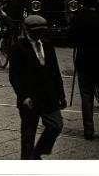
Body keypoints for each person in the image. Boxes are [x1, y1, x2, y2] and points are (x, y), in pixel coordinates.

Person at [9, 15, 66, 160]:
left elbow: (55, 71)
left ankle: (39, 151)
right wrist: (23, 96)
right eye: (36, 31)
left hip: (49, 96)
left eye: (41, 31)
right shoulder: (18, 48)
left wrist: (61, 95)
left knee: (56, 126)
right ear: (27, 30)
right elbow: (14, 76)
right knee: (28, 135)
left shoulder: (47, 45)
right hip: (30, 99)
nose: (39, 34)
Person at [70, 0, 99, 142]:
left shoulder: (77, 19)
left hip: (84, 61)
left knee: (86, 97)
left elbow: (72, 41)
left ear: (83, 4)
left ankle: (88, 131)